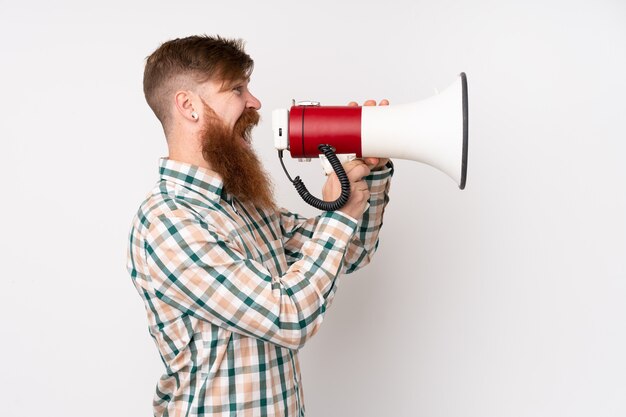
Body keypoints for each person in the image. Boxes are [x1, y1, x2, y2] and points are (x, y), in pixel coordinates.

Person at [127, 35, 393, 417]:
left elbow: (350, 252)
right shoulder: (169, 221)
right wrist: (340, 213)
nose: (254, 102)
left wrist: (370, 171)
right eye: (237, 89)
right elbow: (288, 317)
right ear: (188, 106)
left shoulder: (245, 206)